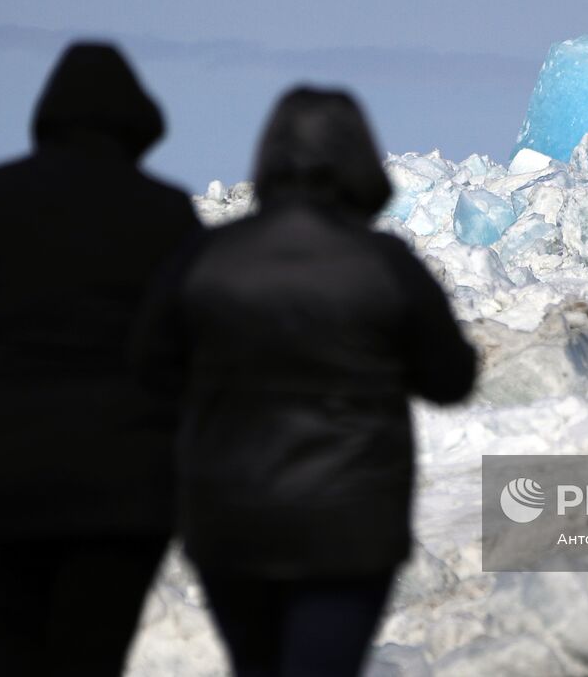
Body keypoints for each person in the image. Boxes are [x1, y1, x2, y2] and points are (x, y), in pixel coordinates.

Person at [132, 87, 476, 677]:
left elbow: (147, 369)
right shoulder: (384, 263)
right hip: (350, 522)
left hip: (232, 523)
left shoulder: (206, 257)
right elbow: (450, 378)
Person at [0, 41, 203, 676]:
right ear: (137, 121)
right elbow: (203, 336)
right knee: (91, 656)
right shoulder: (166, 212)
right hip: (126, 484)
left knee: (17, 646)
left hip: (5, 475)